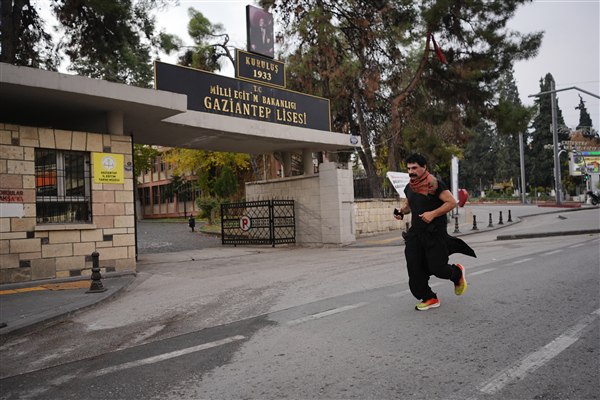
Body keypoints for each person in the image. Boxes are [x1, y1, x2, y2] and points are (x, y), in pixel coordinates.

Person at [394, 153, 476, 311]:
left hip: (434, 233)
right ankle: (429, 297)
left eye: (414, 168)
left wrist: (433, 214)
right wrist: (401, 211)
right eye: (409, 168)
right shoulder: (410, 186)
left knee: (438, 269)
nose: (411, 172)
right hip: (415, 234)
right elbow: (410, 204)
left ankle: (457, 273)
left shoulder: (434, 184)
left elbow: (451, 202)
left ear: (424, 167)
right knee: (414, 268)